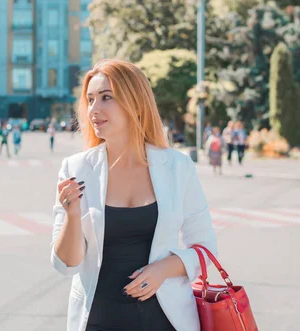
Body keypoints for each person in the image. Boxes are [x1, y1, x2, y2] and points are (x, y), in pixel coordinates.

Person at [51, 59, 217, 331]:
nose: (94, 109)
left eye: (106, 98)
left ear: (136, 103)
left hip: (166, 321)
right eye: (90, 100)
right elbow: (66, 265)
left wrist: (163, 270)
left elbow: (206, 248)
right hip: (98, 321)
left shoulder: (177, 167)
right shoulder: (76, 169)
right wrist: (71, 214)